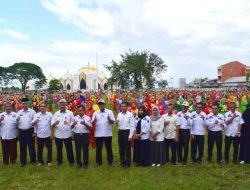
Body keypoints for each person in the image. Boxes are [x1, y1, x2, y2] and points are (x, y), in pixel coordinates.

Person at [91, 99, 115, 167]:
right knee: (98, 149)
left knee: (109, 148)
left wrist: (109, 119)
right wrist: (94, 120)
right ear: (98, 105)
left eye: (102, 104)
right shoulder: (95, 113)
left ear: (105, 105)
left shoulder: (109, 112)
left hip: (107, 133)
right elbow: (92, 122)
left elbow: (113, 122)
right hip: (98, 134)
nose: (101, 105)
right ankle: (98, 162)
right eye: (99, 104)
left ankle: (110, 162)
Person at [51, 99, 75, 167]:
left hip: (67, 135)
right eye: (60, 104)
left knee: (69, 149)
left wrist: (73, 133)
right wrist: (55, 123)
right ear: (59, 105)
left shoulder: (70, 113)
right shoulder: (56, 113)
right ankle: (59, 161)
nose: (62, 106)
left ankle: (71, 161)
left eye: (63, 104)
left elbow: (72, 123)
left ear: (65, 105)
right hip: (58, 135)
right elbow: (52, 124)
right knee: (59, 149)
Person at [32, 101, 53, 167]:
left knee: (49, 148)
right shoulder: (36, 115)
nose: (42, 108)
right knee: (39, 149)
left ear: (46, 107)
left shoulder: (49, 114)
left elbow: (52, 125)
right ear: (39, 107)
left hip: (48, 134)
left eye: (43, 106)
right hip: (39, 135)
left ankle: (49, 161)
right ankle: (40, 161)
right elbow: (33, 124)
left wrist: (52, 134)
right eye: (41, 106)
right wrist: (35, 131)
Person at [17, 97, 36, 167]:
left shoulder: (32, 112)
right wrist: (18, 132)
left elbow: (35, 123)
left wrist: (35, 132)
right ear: (21, 104)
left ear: (28, 103)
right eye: (23, 103)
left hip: (30, 131)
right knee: (22, 147)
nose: (25, 105)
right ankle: (23, 161)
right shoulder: (19, 112)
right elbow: (17, 123)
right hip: (21, 131)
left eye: (26, 103)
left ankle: (33, 161)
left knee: (31, 147)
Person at [116, 102, 135, 168]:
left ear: (127, 107)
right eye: (122, 106)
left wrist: (130, 136)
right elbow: (117, 125)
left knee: (127, 149)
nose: (123, 107)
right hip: (120, 132)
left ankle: (128, 163)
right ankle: (122, 162)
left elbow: (132, 126)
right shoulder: (119, 114)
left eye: (124, 106)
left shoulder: (130, 114)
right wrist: (116, 123)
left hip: (127, 132)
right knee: (121, 148)